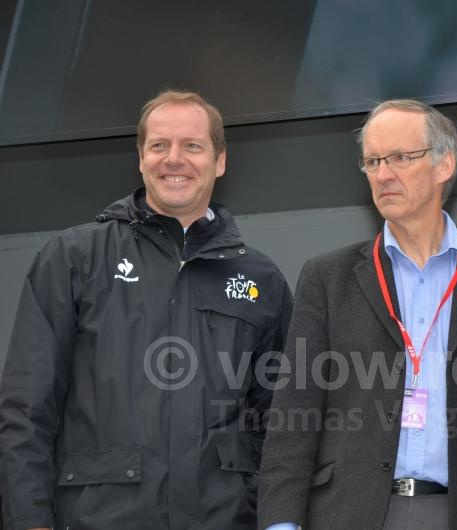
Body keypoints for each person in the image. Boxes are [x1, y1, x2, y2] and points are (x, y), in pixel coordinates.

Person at [257, 99, 457, 530]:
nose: (383, 174)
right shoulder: (328, 278)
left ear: (445, 165)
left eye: (401, 158)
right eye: (372, 161)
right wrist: (280, 523)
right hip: (350, 514)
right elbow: (294, 416)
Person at [0, 90, 293, 530]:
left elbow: (283, 423)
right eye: (159, 145)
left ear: (220, 161)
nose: (174, 159)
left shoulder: (260, 278)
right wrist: (29, 520)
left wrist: (279, 519)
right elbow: (27, 408)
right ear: (140, 158)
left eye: (192, 146)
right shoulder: (74, 258)